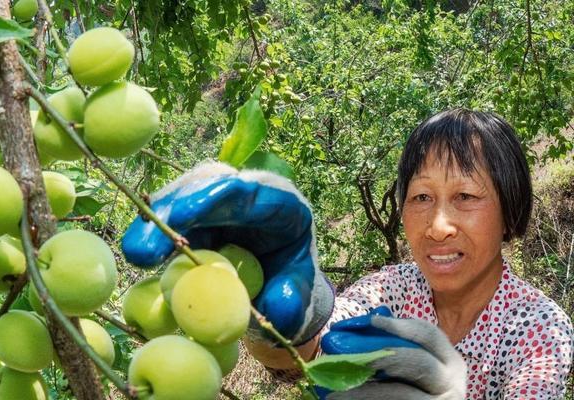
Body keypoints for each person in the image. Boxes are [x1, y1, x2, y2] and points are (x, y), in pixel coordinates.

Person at [121, 108, 573, 399]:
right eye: (420, 198)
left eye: (467, 198)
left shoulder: (536, 329)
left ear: (510, 209)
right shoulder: (395, 288)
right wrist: (290, 312)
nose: (437, 226)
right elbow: (313, 349)